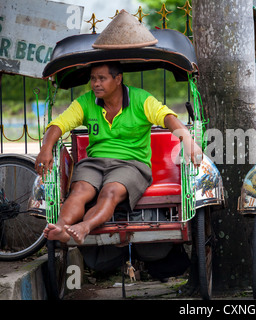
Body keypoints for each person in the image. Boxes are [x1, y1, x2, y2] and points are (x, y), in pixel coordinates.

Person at [35, 62, 202, 244]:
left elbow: (167, 118)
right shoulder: (86, 102)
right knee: (79, 190)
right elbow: (59, 124)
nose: (96, 84)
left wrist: (187, 139)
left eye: (102, 78)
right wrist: (45, 149)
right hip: (94, 162)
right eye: (93, 79)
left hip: (132, 164)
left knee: (110, 192)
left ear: (118, 79)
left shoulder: (140, 99)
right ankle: (61, 227)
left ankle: (84, 226)